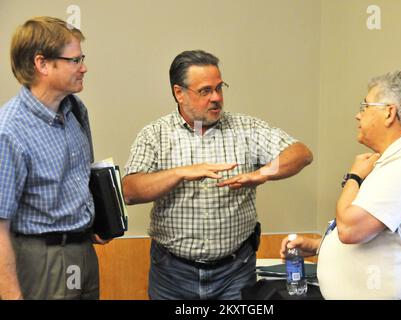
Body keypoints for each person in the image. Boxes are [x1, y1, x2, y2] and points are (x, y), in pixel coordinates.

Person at [122, 50, 313, 300]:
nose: (216, 98)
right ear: (179, 93)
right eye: (205, 91)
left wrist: (263, 173)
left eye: (219, 88)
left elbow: (301, 153)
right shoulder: (154, 135)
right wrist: (180, 173)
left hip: (235, 272)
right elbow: (129, 191)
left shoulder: (246, 128)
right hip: (171, 274)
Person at [280, 71, 401, 300]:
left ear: (389, 113)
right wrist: (320, 245)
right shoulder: (395, 161)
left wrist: (354, 177)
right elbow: (376, 237)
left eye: (365, 106)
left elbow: (350, 229)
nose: (358, 115)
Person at [0, 17, 109, 300]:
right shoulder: (10, 130)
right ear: (42, 64)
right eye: (74, 60)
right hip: (41, 258)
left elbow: (78, 178)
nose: (84, 67)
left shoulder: (75, 110)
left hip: (82, 250)